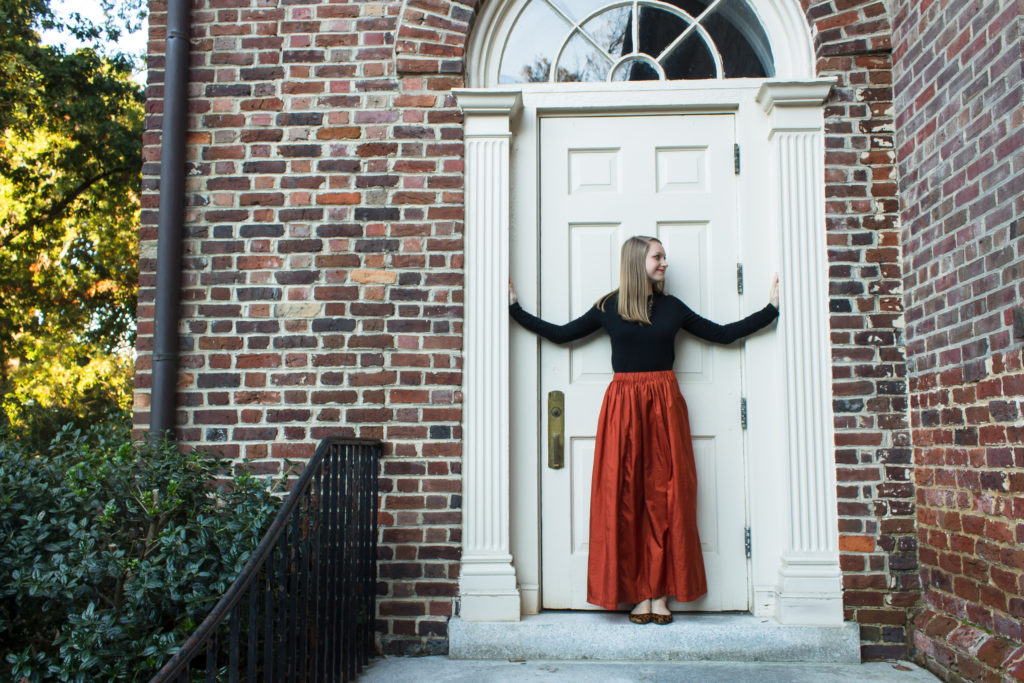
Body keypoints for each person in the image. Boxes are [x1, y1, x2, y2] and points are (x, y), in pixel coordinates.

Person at [508, 235, 779, 624]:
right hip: (623, 408)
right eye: (658, 256)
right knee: (624, 499)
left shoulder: (671, 308)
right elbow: (561, 334)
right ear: (638, 261)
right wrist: (515, 310)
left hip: (665, 406)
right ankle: (637, 595)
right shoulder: (609, 307)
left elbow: (722, 334)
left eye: (665, 255)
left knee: (667, 499)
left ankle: (660, 595)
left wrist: (771, 310)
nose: (665, 262)